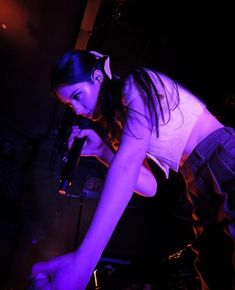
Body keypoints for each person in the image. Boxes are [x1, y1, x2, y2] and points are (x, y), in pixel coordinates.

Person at [30, 49, 235, 290]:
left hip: (220, 156)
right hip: (194, 179)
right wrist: (101, 151)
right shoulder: (118, 124)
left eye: (77, 95)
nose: (75, 108)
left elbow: (126, 166)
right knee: (214, 271)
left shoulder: (134, 85)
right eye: (68, 104)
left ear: (97, 77)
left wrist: (83, 262)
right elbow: (149, 186)